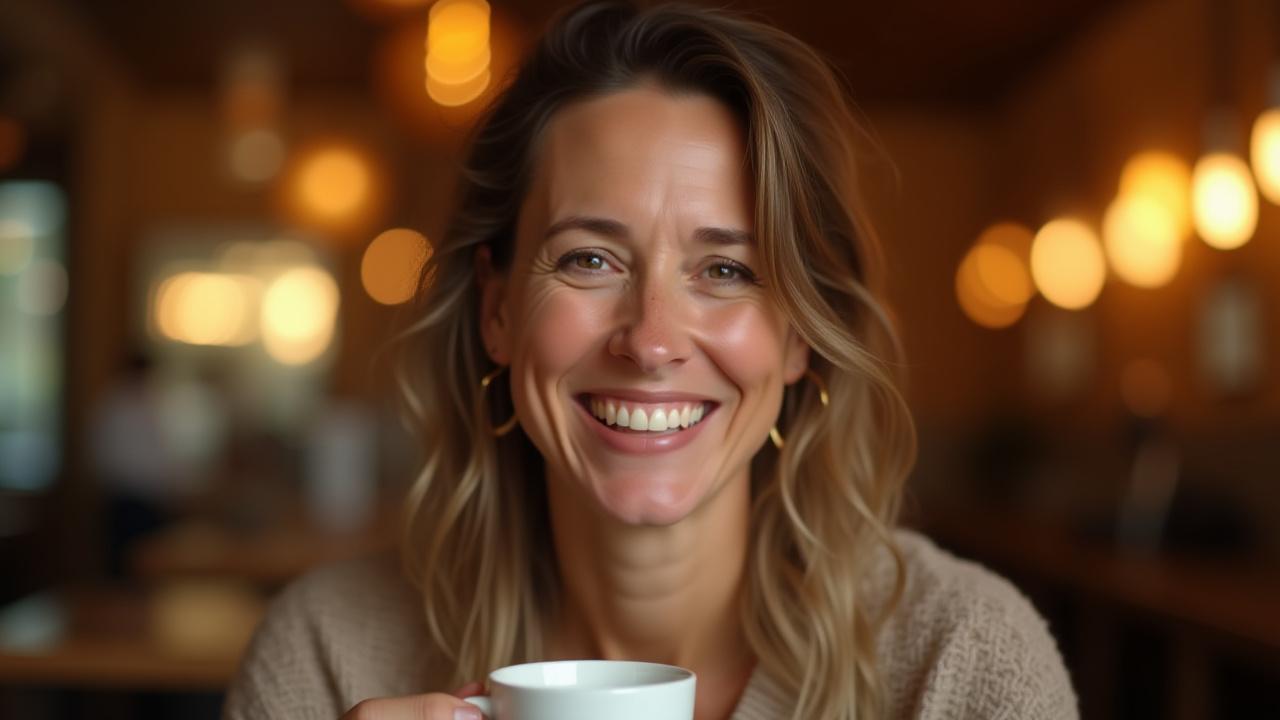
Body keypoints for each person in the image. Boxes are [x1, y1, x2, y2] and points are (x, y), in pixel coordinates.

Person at [224, 2, 1078, 718]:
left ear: (798, 337)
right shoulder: (325, 652)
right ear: (498, 311)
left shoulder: (958, 660)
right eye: (590, 259)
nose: (652, 339)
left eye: (727, 271)